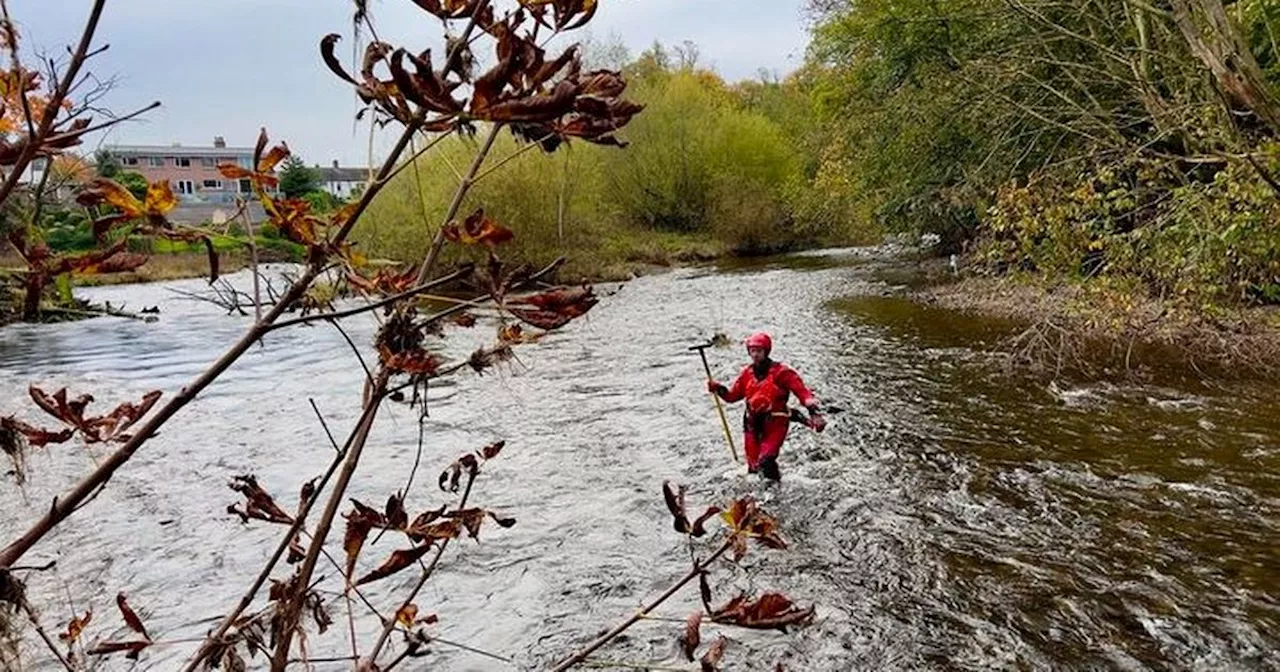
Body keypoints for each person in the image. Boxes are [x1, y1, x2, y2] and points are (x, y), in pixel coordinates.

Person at [706, 332, 825, 481]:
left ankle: (776, 493)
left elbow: (804, 394)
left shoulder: (782, 373)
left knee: (766, 462)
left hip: (775, 423)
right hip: (751, 424)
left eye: (759, 351)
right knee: (754, 468)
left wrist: (814, 414)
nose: (755, 355)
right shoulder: (746, 374)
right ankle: (755, 499)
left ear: (766, 351)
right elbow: (732, 397)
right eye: (752, 351)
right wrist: (719, 389)